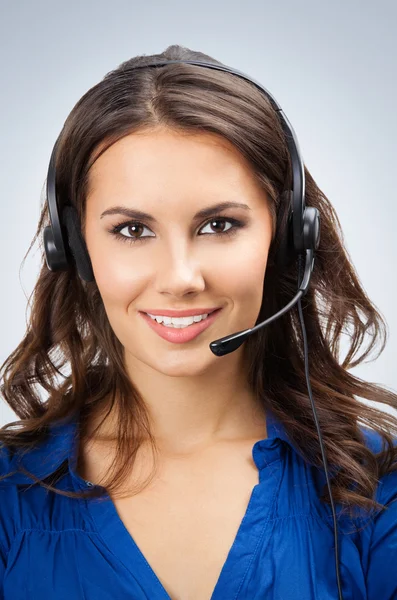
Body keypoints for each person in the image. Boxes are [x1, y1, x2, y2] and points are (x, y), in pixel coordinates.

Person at [0, 44, 396, 600]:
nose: (181, 277)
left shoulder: (374, 489)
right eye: (133, 231)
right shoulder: (8, 495)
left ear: (286, 239)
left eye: (218, 225)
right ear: (74, 247)